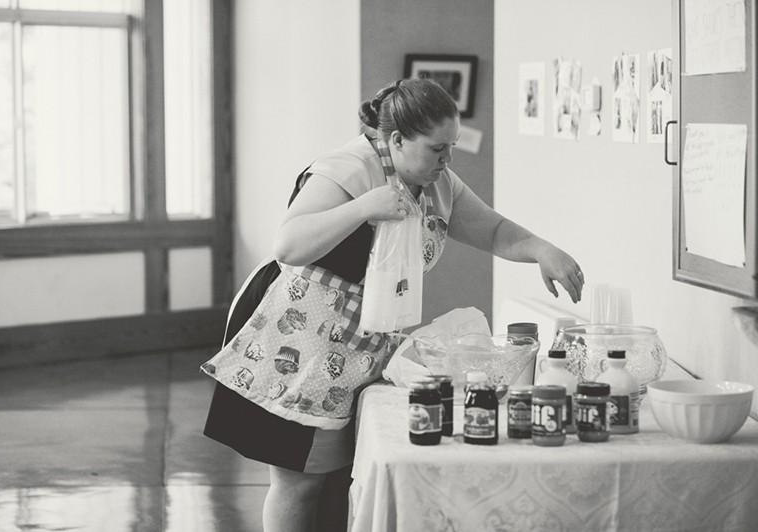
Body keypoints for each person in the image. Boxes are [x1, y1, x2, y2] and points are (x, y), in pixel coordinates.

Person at [201, 77, 585, 532]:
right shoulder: (347, 169)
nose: (447, 160)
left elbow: (495, 231)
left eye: (451, 147)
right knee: (299, 481)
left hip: (355, 345)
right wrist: (363, 207)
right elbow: (289, 244)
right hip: (295, 338)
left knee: (337, 478)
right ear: (397, 140)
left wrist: (542, 249)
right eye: (437, 149)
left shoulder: (437, 182)